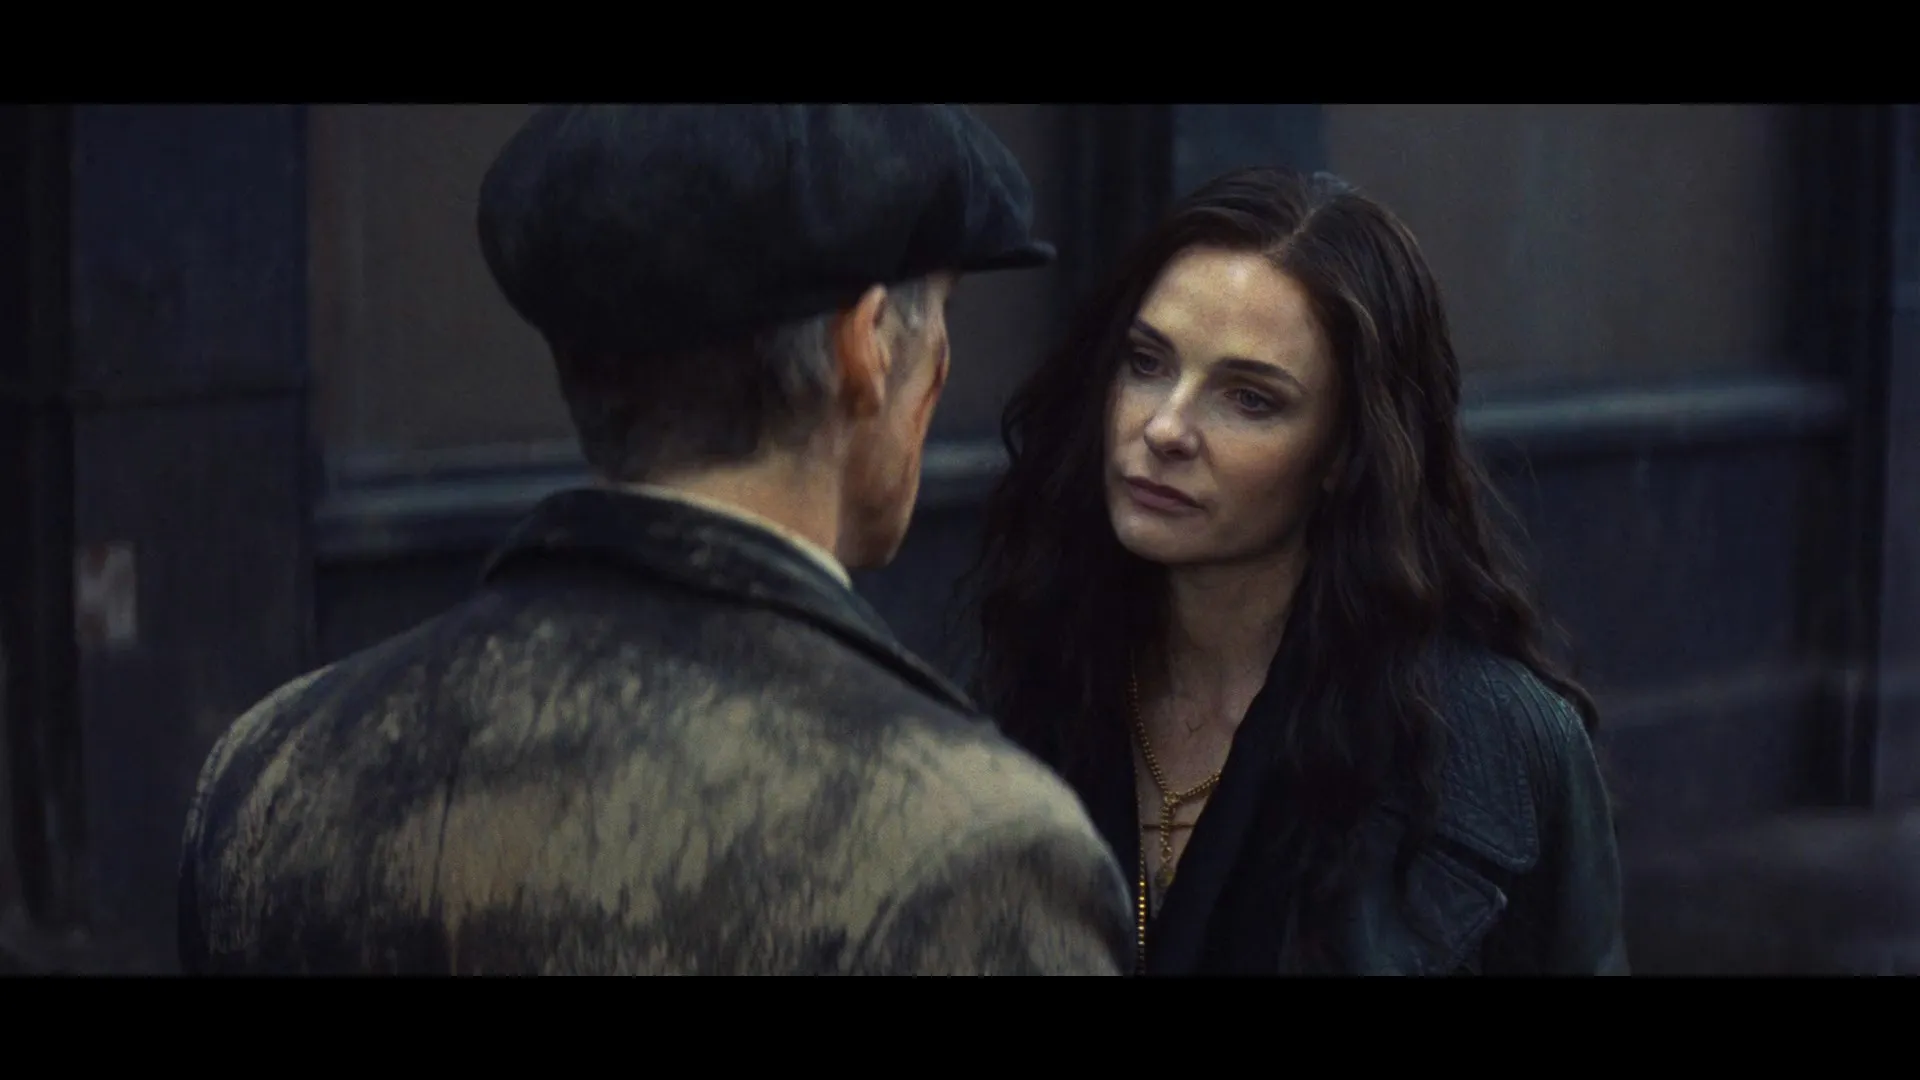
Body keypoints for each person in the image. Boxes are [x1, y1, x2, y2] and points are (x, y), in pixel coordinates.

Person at [177, 105, 1132, 976]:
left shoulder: (272, 772)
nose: (943, 368)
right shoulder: (971, 849)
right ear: (867, 345)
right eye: (940, 318)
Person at [968, 166, 1627, 975]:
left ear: (1345, 452)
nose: (1166, 428)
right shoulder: (1037, 671)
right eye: (1146, 362)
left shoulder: (1499, 749)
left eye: (1250, 399)